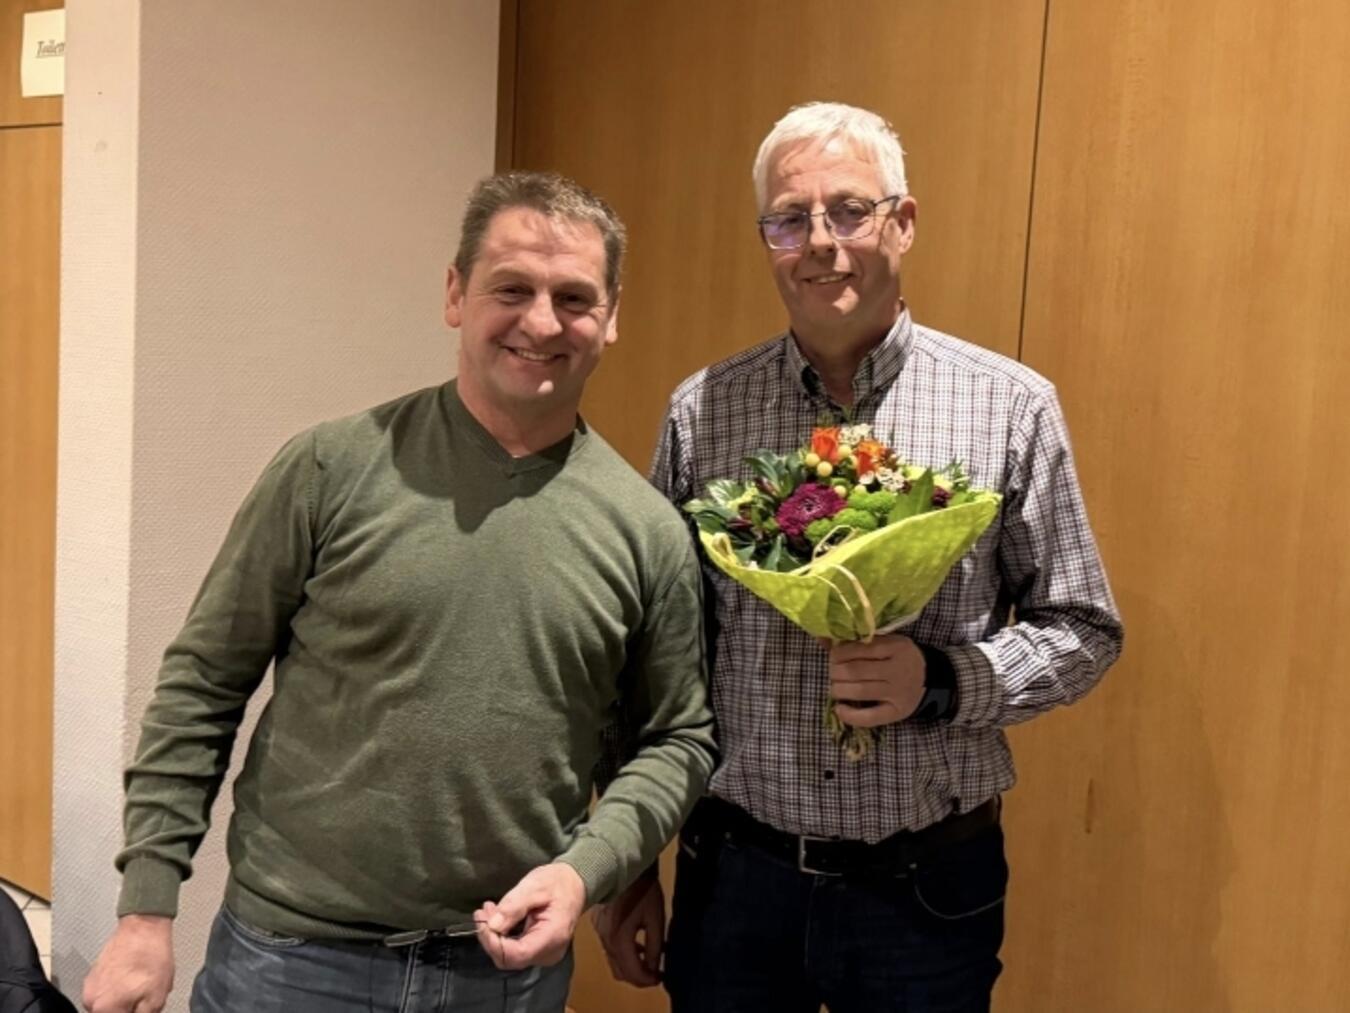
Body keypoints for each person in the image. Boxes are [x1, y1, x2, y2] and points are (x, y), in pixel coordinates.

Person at [80, 171, 717, 1013]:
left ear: (611, 318)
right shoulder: (328, 468)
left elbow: (676, 739)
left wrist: (590, 870)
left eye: (573, 297)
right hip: (292, 963)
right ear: (455, 293)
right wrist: (146, 910)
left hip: (507, 978)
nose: (540, 321)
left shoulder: (647, 529)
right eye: (511, 289)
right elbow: (203, 683)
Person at [594, 101, 1124, 1011]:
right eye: (790, 219)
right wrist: (627, 864)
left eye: (849, 210)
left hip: (927, 886)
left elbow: (1082, 627)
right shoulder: (702, 412)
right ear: (766, 237)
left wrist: (944, 680)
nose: (820, 243)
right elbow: (658, 654)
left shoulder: (1009, 406)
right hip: (735, 877)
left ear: (903, 222)